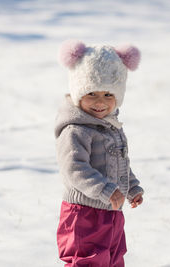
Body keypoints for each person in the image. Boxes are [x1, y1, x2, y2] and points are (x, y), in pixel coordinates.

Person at [55, 40, 144, 267]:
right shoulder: (76, 130)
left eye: (108, 95)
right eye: (92, 93)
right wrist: (105, 189)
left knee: (113, 259)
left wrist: (131, 187)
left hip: (112, 211)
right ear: (78, 93)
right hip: (84, 214)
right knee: (88, 261)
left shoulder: (111, 127)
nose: (99, 102)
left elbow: (121, 163)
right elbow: (74, 169)